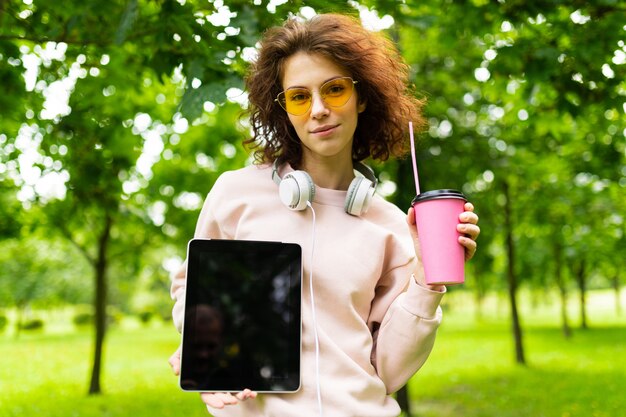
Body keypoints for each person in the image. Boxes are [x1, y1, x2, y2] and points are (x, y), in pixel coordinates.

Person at [168, 12, 480, 417]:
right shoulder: (235, 194)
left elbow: (388, 371)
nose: (318, 109)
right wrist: (204, 355)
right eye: (300, 96)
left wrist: (426, 279)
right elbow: (193, 295)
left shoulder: (389, 226)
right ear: (285, 109)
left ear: (362, 96)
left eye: (334, 90)